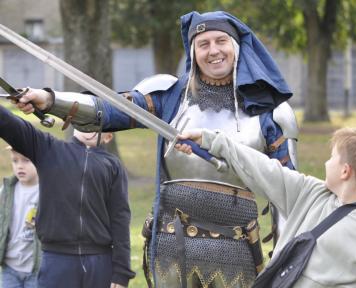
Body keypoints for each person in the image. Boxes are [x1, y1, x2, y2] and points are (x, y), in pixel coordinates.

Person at [15, 10, 298, 288]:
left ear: (235, 45)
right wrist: (51, 99)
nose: (213, 51)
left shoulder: (270, 111)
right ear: (193, 51)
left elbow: (288, 193)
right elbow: (111, 109)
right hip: (171, 246)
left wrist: (285, 264)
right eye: (203, 44)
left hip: (235, 249)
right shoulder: (171, 96)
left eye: (221, 41)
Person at [175, 127, 356, 287]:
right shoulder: (311, 194)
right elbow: (263, 169)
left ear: (345, 171)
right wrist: (212, 140)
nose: (326, 162)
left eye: (333, 157)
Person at [0, 105, 135, 288]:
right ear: (70, 122)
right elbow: (10, 124)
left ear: (108, 135)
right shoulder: (49, 149)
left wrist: (121, 272)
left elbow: (120, 218)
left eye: (98, 120)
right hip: (57, 261)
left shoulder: (113, 166)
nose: (89, 125)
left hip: (100, 262)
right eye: (84, 116)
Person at [0, 147, 40, 288]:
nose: (20, 166)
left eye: (26, 160)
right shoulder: (6, 190)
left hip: (36, 269)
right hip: (10, 268)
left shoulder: (46, 191)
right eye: (15, 161)